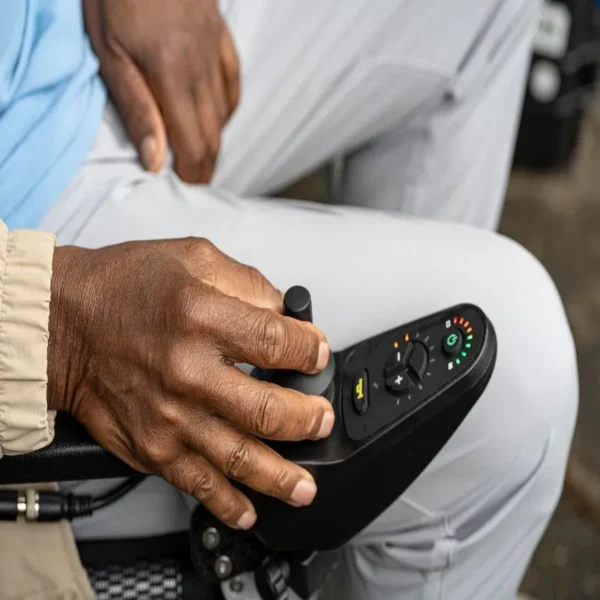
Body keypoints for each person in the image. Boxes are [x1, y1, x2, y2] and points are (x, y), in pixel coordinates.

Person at [0, 1, 578, 599]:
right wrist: (57, 327)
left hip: (60, 49)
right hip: (29, 241)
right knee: (514, 372)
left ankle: (394, 515)